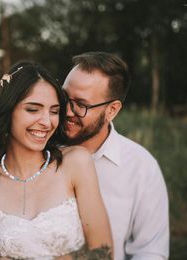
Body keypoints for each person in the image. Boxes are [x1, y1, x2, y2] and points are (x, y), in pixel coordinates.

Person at [0, 61, 113, 259]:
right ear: (7, 111)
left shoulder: (76, 163)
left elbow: (104, 253)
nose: (47, 122)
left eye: (54, 111)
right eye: (33, 109)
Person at [62, 51, 169, 260]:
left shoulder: (141, 167)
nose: (67, 111)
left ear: (112, 110)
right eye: (64, 96)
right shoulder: (39, 150)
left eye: (81, 105)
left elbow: (150, 251)